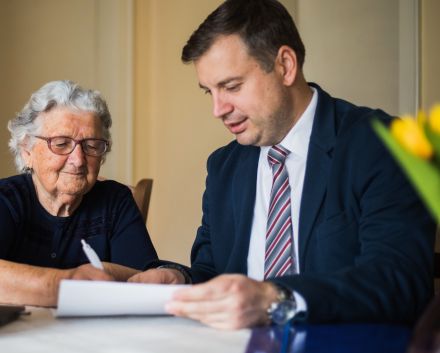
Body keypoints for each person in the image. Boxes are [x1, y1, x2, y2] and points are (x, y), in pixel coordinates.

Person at [129, 0, 435, 329]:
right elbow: (213, 273)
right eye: (209, 92)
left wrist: (277, 299)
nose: (218, 109)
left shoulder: (382, 144)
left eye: (231, 86)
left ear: (286, 66)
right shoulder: (223, 167)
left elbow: (399, 282)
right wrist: (181, 279)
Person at [0, 80, 158, 307]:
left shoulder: (115, 201)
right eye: (62, 143)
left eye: (91, 146)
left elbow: (145, 279)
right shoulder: (7, 199)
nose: (78, 160)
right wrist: (66, 283)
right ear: (27, 152)